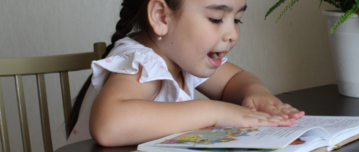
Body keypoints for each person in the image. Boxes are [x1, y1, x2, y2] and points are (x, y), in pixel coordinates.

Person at [67, 0, 305, 147]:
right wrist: (215, 112)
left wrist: (257, 93)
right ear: (161, 16)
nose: (231, 33)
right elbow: (109, 124)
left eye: (237, 20)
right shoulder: (142, 62)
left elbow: (233, 80)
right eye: (216, 19)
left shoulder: (183, 58)